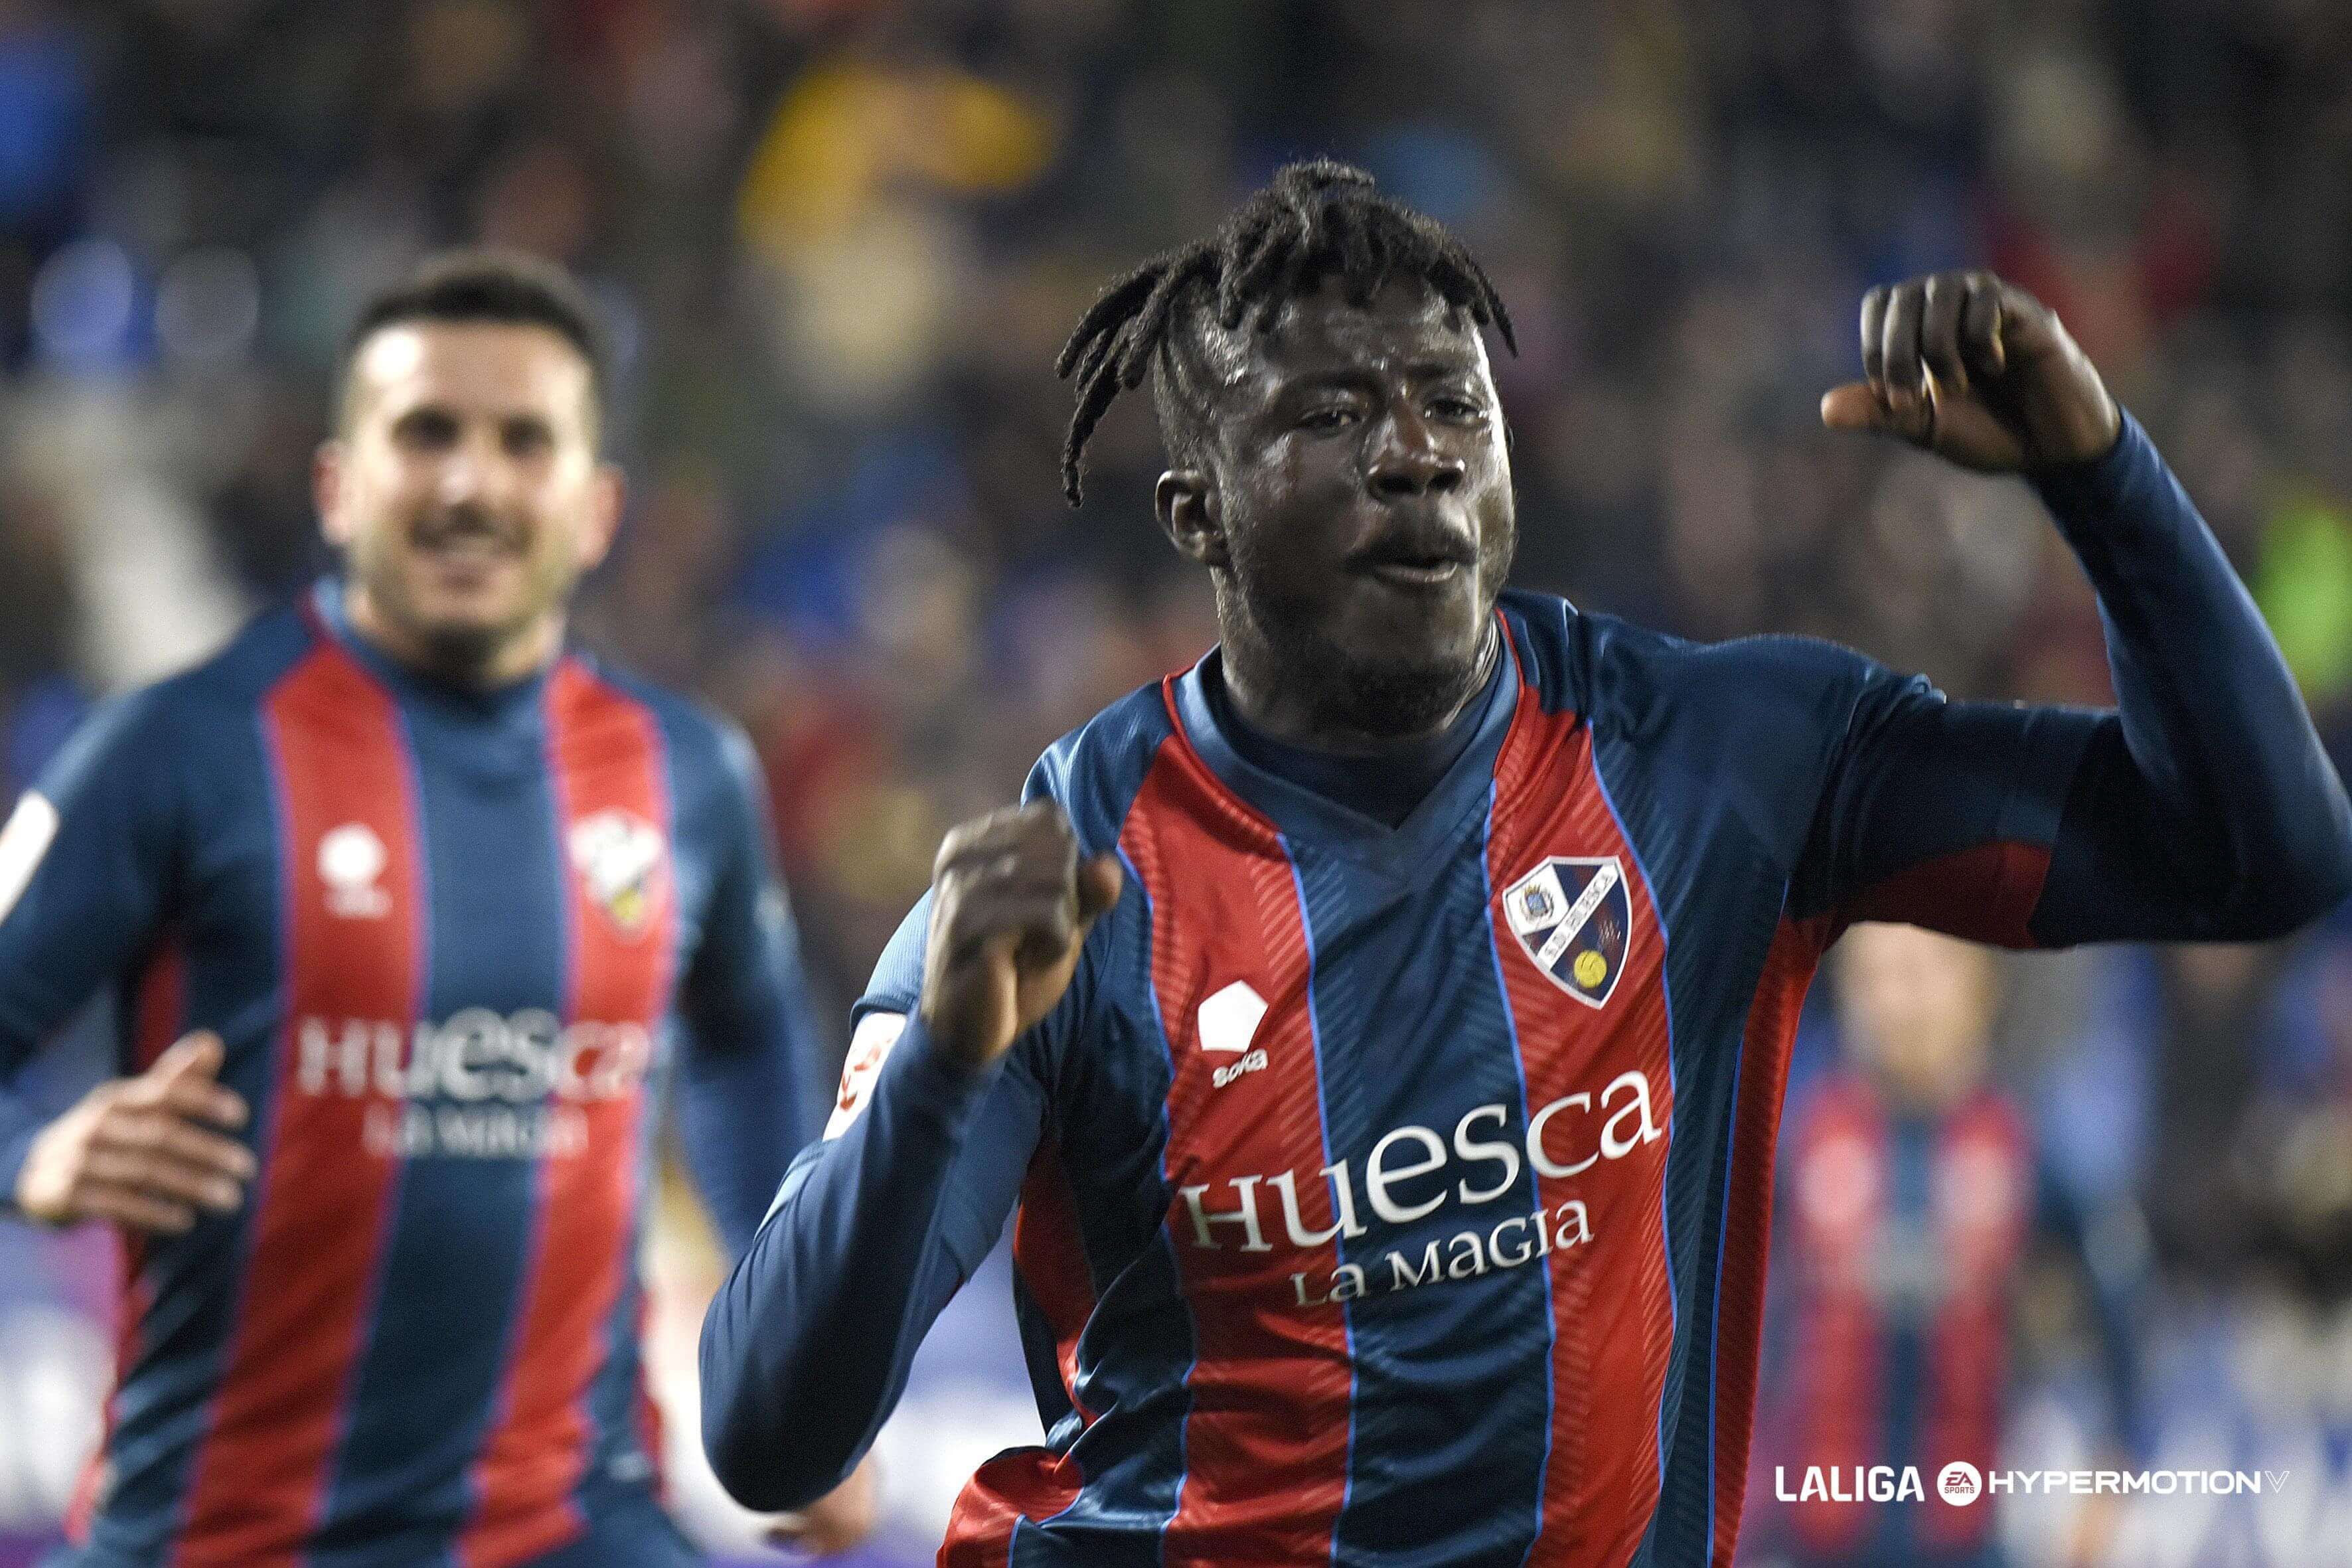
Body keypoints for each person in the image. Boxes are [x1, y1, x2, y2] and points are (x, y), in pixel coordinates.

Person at [698, 161, 2352, 1566]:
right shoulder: (1069, 897)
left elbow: (2256, 857)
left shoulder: (1719, 760)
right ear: (1194, 511)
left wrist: (2101, 477)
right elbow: (771, 1433)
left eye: (1452, 404)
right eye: (1330, 415)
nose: (1414, 450)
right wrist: (935, 1075)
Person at [0, 252, 872, 1565]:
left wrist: (794, 1370)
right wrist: (33, 1157)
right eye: (426, 434)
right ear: (339, 488)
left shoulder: (688, 776)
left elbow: (748, 1048)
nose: (472, 480)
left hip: (577, 1524)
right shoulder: (176, 752)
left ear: (595, 508)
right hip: (226, 1532)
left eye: (525, 441)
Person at [1764, 923, 2146, 1568]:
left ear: (1979, 986)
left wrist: (2110, 1479)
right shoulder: (1797, 1135)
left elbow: (2124, 1308)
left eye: (1918, 974)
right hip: (1812, 1538)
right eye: (1871, 978)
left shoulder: (2026, 1141)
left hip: (1967, 1539)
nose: (1895, 1003)